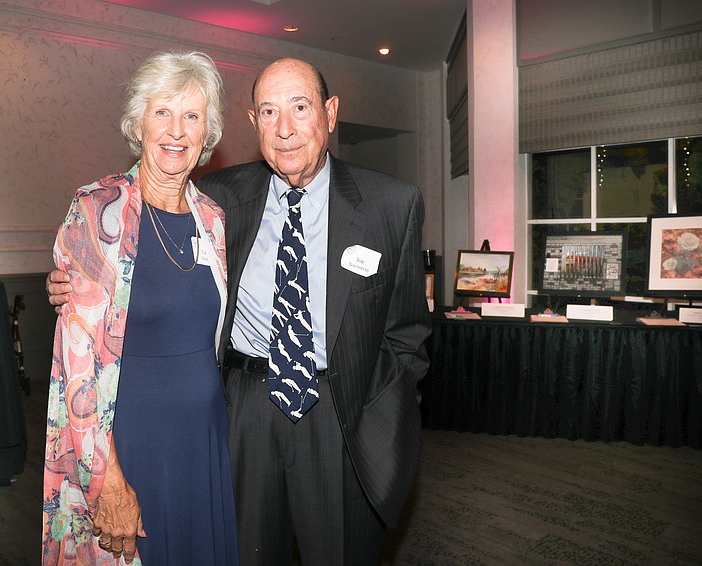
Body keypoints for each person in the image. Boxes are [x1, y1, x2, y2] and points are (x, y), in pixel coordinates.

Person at [49, 57, 431, 564]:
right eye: (270, 112)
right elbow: (111, 273)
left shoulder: (392, 204)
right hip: (242, 413)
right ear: (253, 124)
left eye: (300, 107)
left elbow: (407, 335)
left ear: (330, 112)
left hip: (339, 415)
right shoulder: (224, 197)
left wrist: (383, 422)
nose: (286, 128)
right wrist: (66, 285)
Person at [41, 51, 238, 565]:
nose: (177, 130)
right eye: (163, 112)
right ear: (138, 123)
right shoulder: (96, 210)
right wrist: (107, 480)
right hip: (130, 443)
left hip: (203, 439)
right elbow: (77, 370)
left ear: (208, 133)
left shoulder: (213, 220)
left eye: (192, 116)